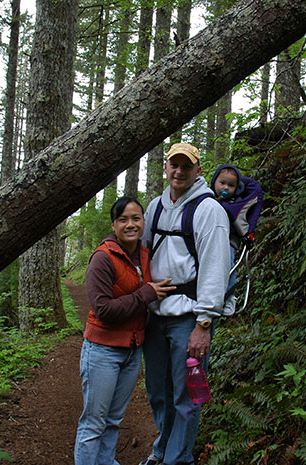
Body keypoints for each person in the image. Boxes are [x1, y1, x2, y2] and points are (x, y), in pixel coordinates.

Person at [140, 143, 230, 465]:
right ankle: (163, 449)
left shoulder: (209, 211)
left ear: (198, 170)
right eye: (174, 165)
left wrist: (204, 323)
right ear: (165, 167)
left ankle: (178, 459)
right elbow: (140, 253)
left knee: (187, 394)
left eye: (186, 166)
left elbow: (215, 268)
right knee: (157, 391)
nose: (179, 171)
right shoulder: (155, 207)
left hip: (189, 317)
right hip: (155, 314)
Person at [75, 197, 175, 465]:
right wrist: (146, 294)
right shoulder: (103, 258)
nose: (130, 224)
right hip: (102, 351)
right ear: (114, 225)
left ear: (144, 222)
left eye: (136, 218)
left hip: (132, 351)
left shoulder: (144, 254)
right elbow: (104, 310)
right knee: (93, 423)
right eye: (123, 219)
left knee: (113, 420)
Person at [210, 164, 264, 313]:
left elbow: (250, 219)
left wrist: (249, 234)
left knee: (229, 266)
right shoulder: (208, 200)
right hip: (210, 239)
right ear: (214, 182)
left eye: (231, 185)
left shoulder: (238, 202)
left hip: (229, 241)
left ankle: (229, 297)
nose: (225, 188)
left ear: (237, 187)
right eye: (222, 183)